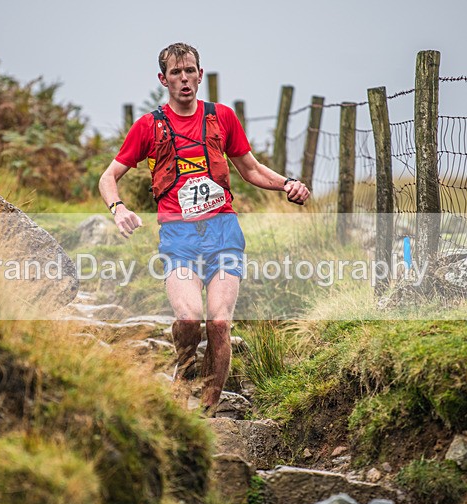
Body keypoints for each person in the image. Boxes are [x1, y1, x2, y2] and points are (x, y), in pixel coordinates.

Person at [98, 42, 310, 413]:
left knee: (219, 323)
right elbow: (108, 176)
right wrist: (118, 209)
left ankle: (208, 413)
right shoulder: (149, 126)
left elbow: (252, 169)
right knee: (188, 318)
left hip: (223, 231)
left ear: (200, 74)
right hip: (178, 236)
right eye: (176, 73)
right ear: (163, 79)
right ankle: (184, 369)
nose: (184, 79)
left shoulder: (222, 118)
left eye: (190, 71)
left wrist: (288, 184)